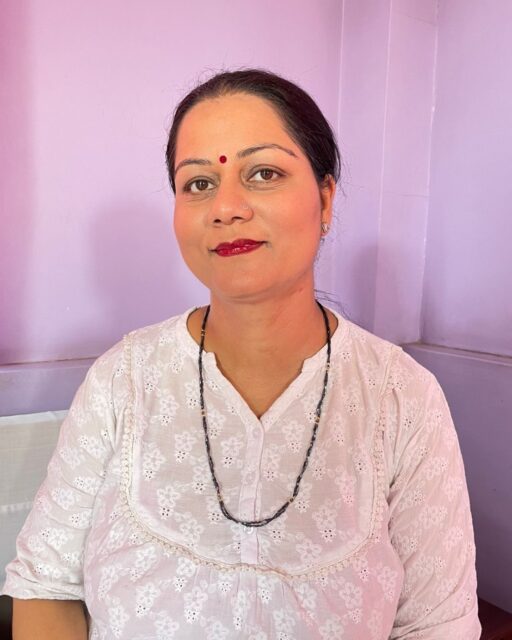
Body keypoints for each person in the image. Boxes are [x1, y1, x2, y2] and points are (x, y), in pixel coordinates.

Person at [2, 68, 481, 639]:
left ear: (325, 199)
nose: (225, 207)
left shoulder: (402, 397)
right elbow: (47, 586)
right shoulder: (122, 379)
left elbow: (438, 625)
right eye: (198, 183)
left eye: (263, 173)